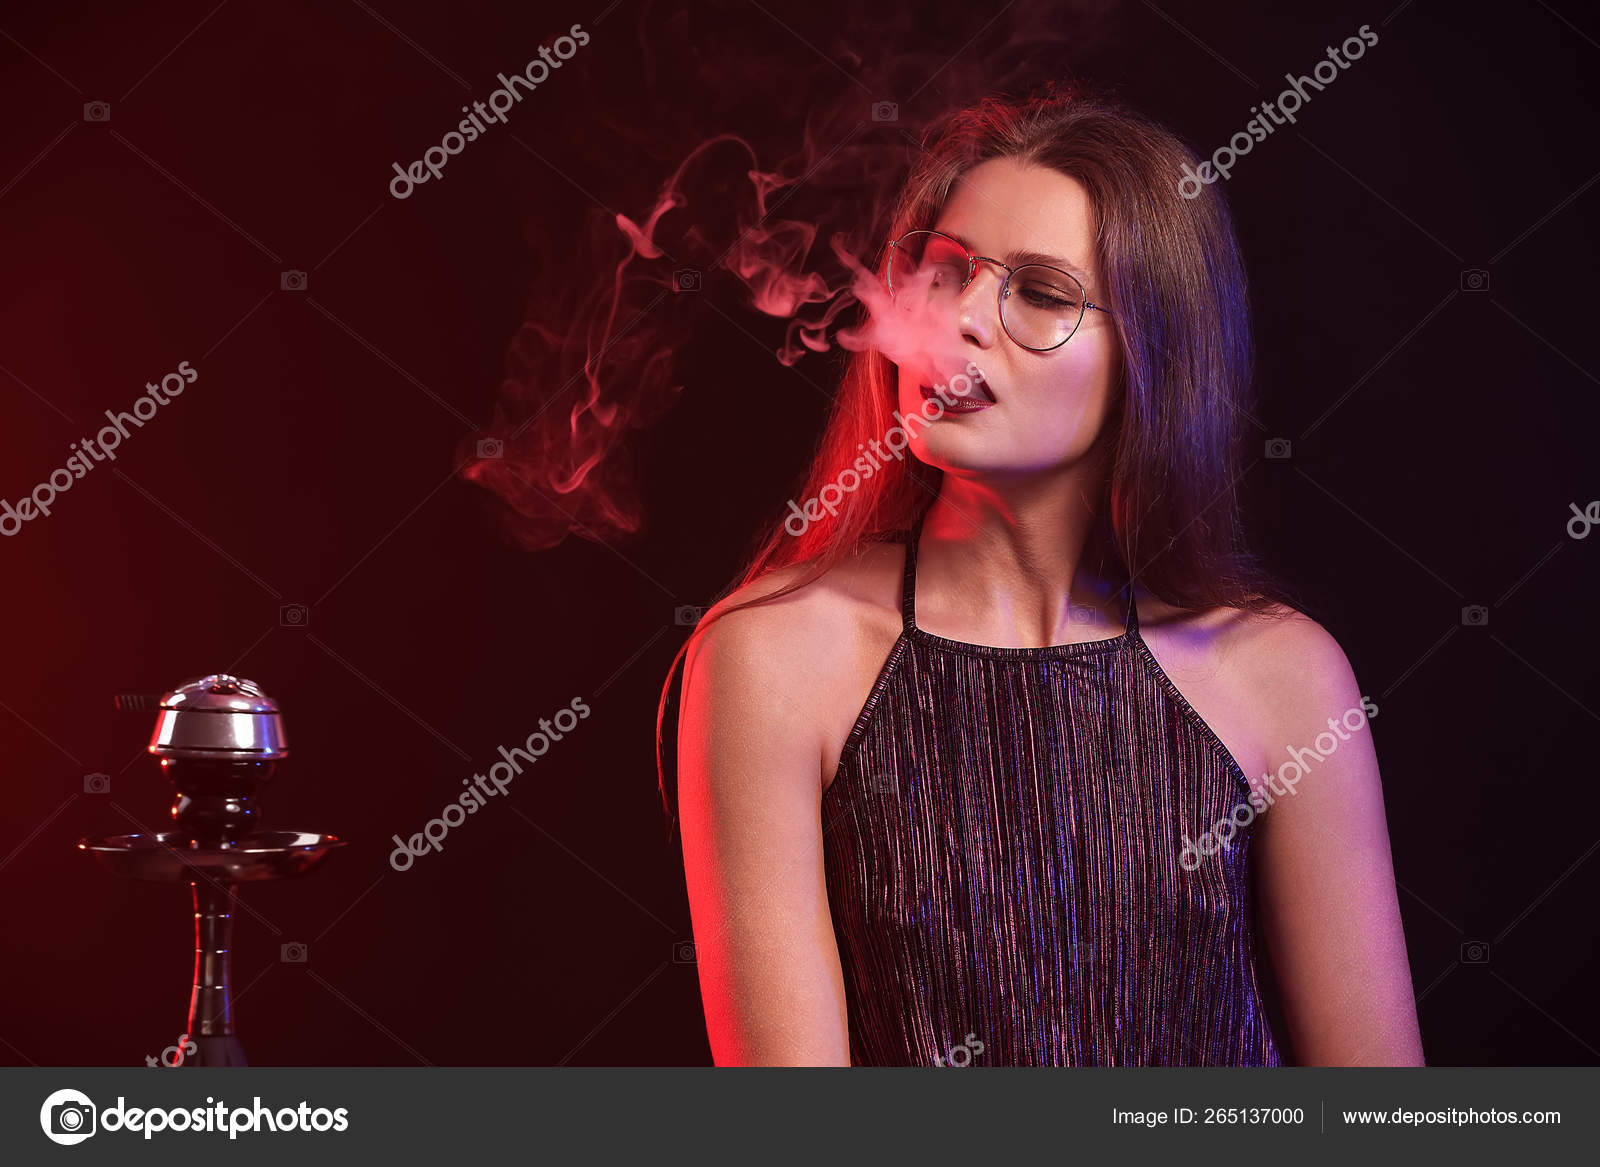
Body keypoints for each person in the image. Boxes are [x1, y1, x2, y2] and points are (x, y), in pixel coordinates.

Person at [661, 86, 1425, 1067]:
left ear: (1153, 354)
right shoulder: (772, 658)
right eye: (946, 272)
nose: (961, 319)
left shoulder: (1281, 672)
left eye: (1043, 293)